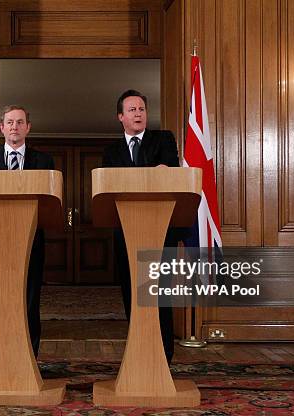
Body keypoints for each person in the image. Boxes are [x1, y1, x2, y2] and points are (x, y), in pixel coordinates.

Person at [102, 89, 179, 363]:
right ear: (120, 116)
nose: (138, 113)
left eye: (142, 109)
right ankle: (138, 352)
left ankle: (163, 357)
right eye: (132, 110)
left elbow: (173, 177)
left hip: (161, 232)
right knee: (132, 294)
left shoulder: (164, 139)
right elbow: (109, 190)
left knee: (159, 295)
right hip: (126, 232)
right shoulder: (111, 151)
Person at [0, 105, 55, 360]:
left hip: (30, 245)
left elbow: (50, 202)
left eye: (20, 122)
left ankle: (29, 361)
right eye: (10, 122)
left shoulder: (44, 161)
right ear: (2, 127)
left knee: (28, 305)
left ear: (28, 127)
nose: (14, 127)